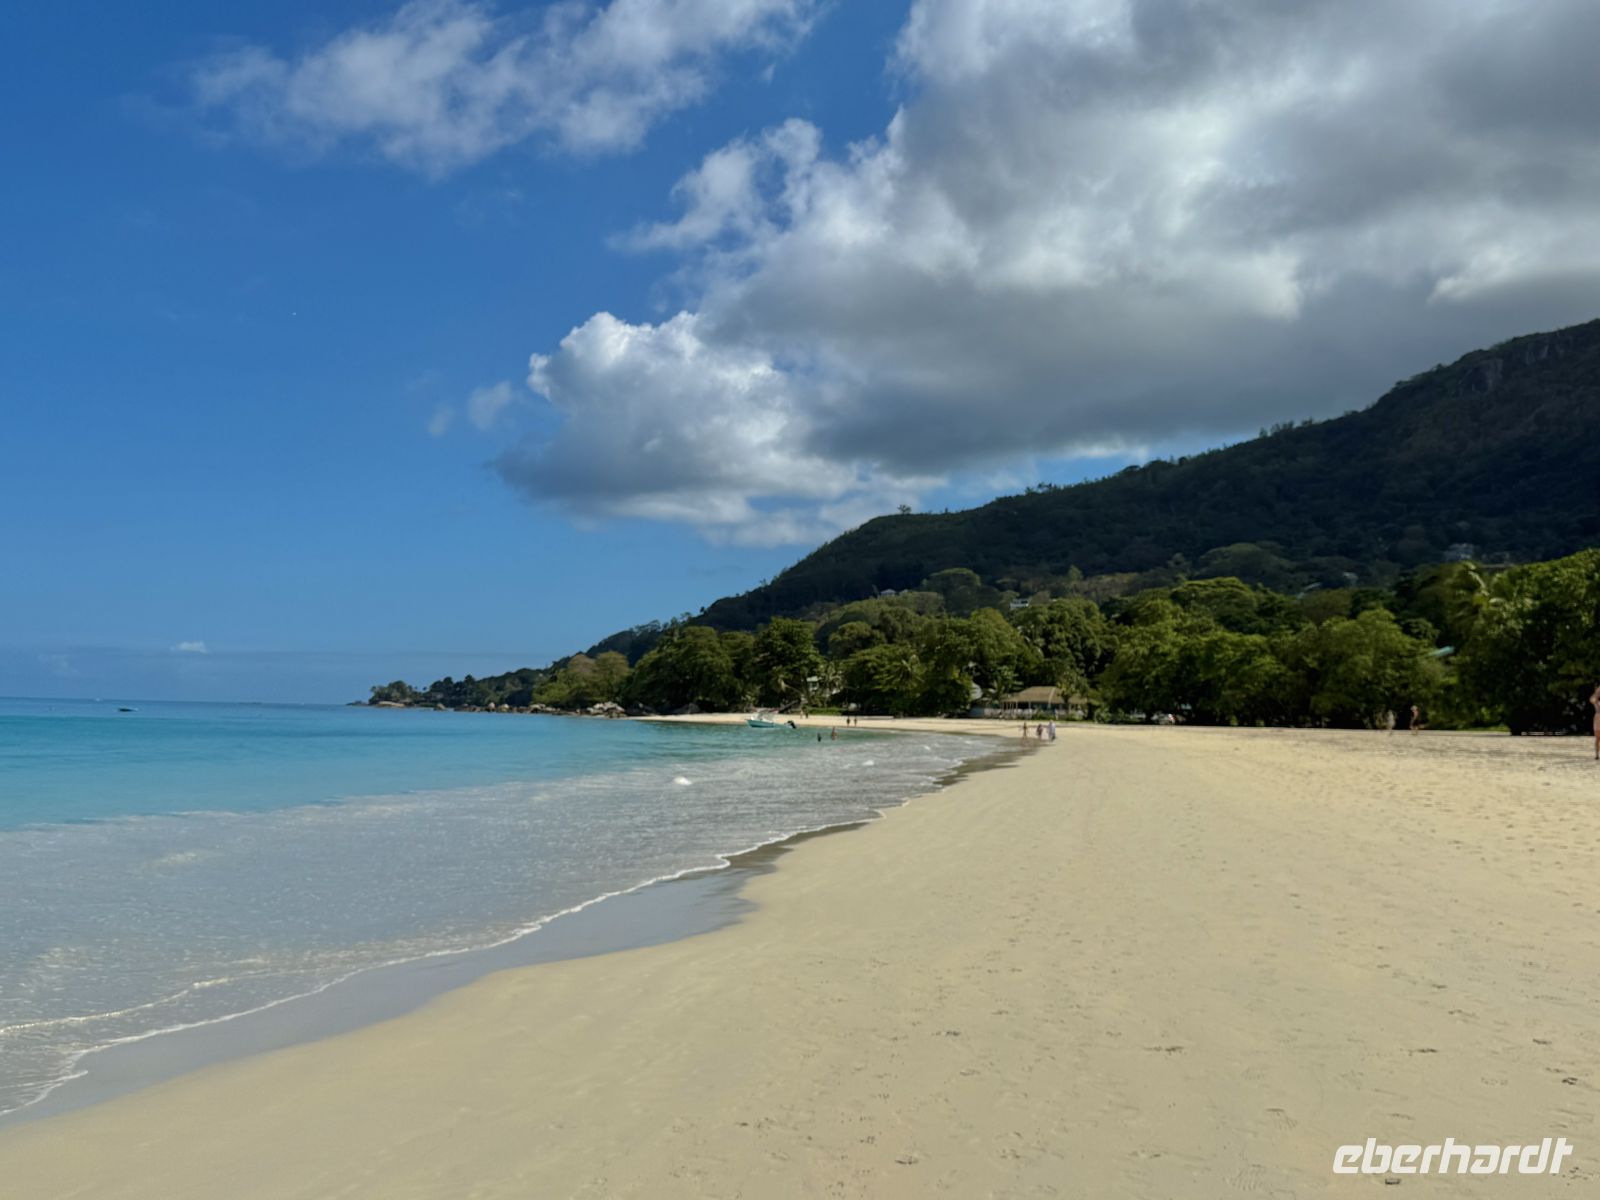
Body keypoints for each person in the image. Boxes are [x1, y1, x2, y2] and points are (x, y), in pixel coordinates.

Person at [1591, 684, 1600, 761]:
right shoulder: (1596, 701)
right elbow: (1591, 699)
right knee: (1597, 738)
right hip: (1597, 720)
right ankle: (1597, 754)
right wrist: (1596, 692)